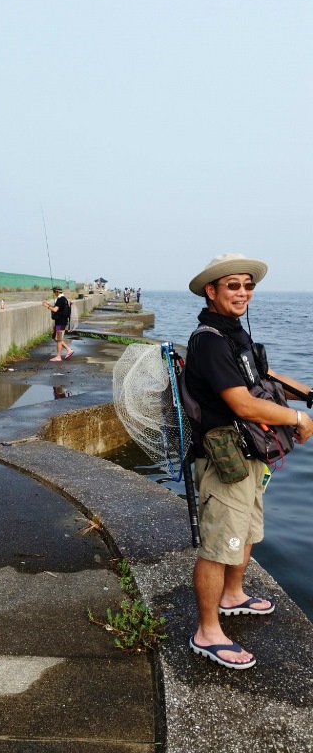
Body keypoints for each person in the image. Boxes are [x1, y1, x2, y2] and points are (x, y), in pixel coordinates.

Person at [185, 253, 313, 669]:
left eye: (248, 285)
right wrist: (297, 417)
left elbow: (264, 378)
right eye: (233, 286)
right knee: (219, 546)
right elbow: (242, 402)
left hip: (249, 456)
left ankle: (233, 595)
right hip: (224, 460)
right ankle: (207, 632)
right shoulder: (209, 340)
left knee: (247, 530)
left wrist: (307, 395)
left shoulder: (235, 334)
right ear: (212, 290)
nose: (243, 293)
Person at [42, 286, 74, 362]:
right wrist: (49, 304)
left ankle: (58, 357)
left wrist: (47, 306)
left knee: (59, 339)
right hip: (62, 321)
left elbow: (55, 310)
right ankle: (69, 350)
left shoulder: (60, 299)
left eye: (54, 292)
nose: (54, 294)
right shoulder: (64, 299)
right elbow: (59, 308)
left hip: (60, 322)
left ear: (56, 292)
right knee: (55, 337)